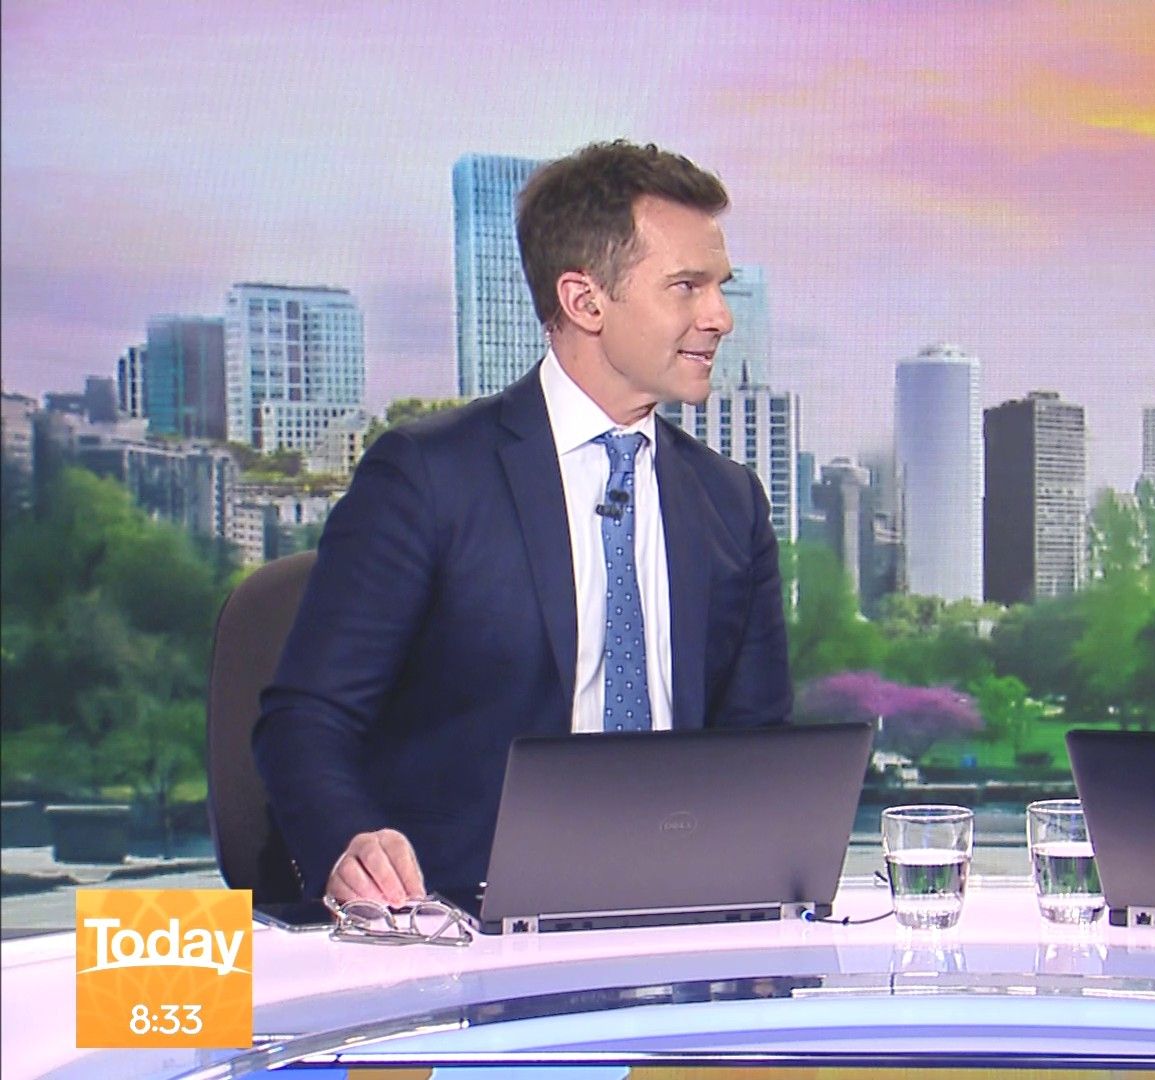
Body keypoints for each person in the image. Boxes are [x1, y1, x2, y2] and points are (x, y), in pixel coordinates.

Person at [255, 141, 793, 904]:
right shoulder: (427, 477)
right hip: (462, 924)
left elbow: (761, 752)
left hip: (678, 917)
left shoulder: (730, 502)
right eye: (686, 287)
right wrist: (350, 843)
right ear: (585, 301)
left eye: (720, 287)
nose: (720, 317)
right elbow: (306, 719)